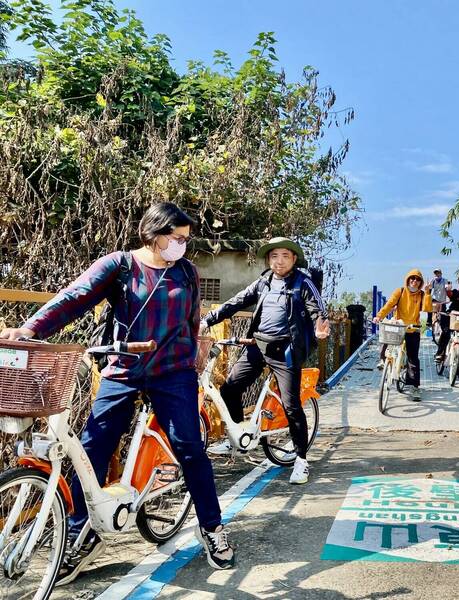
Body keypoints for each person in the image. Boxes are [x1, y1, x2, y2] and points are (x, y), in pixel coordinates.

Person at [0, 202, 235, 582]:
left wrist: (194, 352)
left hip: (172, 372)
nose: (182, 246)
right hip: (124, 368)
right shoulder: (120, 265)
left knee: (189, 447)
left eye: (185, 240)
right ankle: (77, 532)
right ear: (154, 234)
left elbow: (192, 318)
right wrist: (29, 330)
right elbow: (73, 298)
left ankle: (213, 528)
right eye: (176, 238)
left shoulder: (187, 273)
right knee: (91, 448)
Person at [200, 237, 329, 485]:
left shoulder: (303, 282)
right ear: (269, 260)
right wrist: (208, 320)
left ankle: (301, 460)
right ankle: (237, 435)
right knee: (230, 388)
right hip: (258, 345)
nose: (279, 261)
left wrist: (320, 325)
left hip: (286, 351)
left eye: (284, 256)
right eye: (274, 256)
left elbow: (317, 308)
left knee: (292, 405)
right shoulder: (264, 282)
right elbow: (237, 301)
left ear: (294, 259)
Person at [373, 269, 433, 400]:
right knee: (386, 337)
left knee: (413, 358)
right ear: (407, 279)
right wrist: (379, 316)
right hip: (399, 326)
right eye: (412, 278)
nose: (414, 281)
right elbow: (389, 305)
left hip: (413, 329)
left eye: (417, 279)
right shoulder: (400, 291)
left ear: (421, 282)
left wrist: (428, 293)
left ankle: (414, 387)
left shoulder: (423, 295)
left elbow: (427, 310)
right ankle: (384, 361)